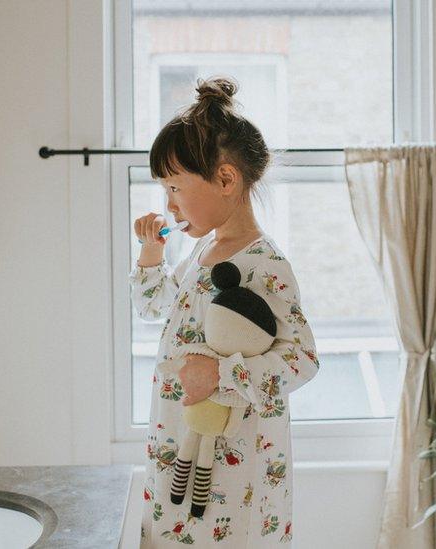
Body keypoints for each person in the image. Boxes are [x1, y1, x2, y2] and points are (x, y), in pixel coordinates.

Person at [130, 76, 320, 547]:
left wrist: (221, 374)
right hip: (179, 442)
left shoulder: (265, 264)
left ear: (226, 180)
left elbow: (303, 360)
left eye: (174, 187)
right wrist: (152, 255)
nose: (167, 203)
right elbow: (154, 308)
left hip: (237, 472)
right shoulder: (201, 253)